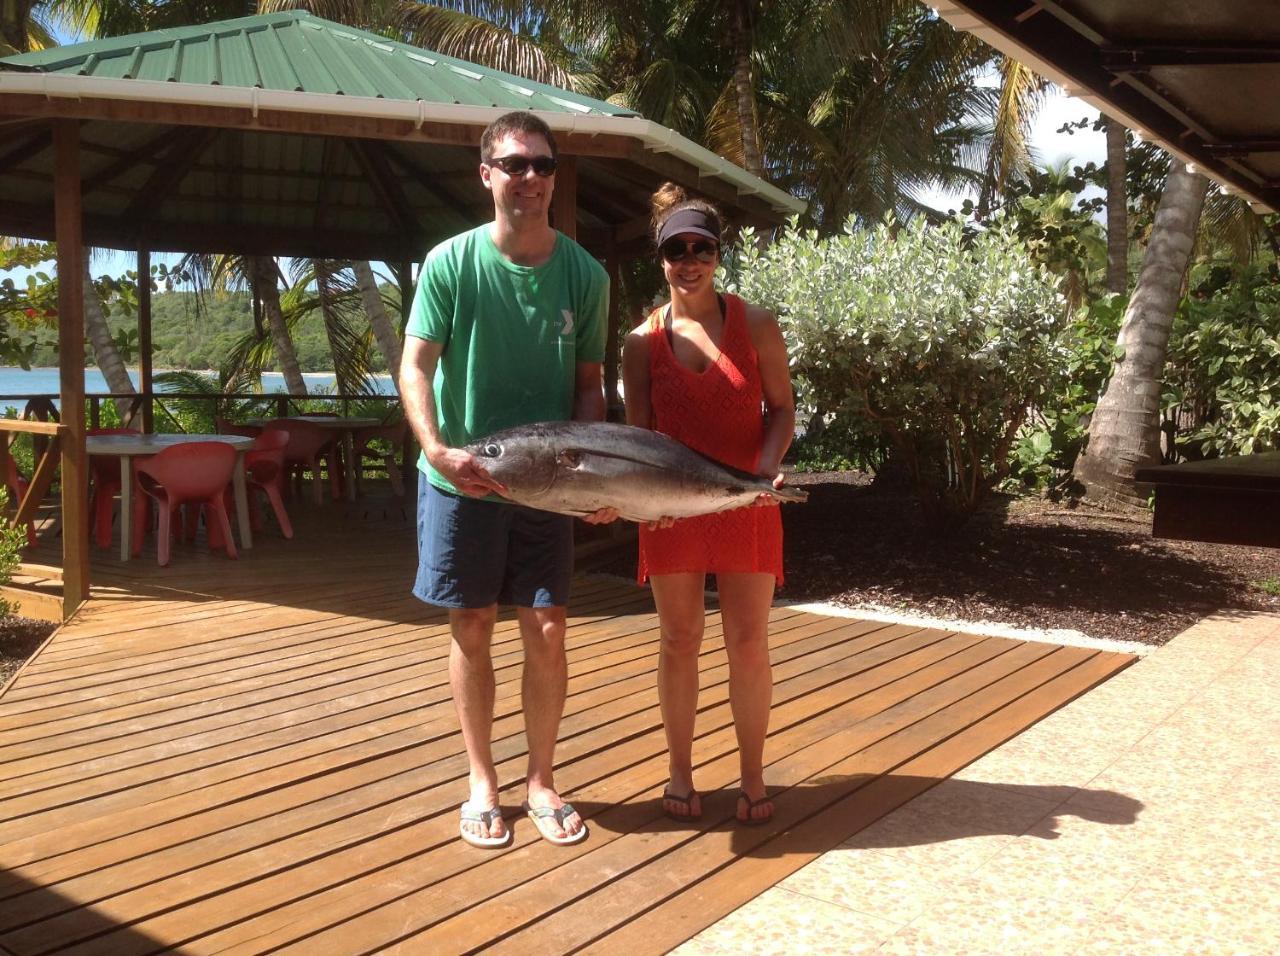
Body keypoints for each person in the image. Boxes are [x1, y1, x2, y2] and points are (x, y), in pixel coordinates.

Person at [399, 111, 614, 849]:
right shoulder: (450, 264)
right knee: (473, 624)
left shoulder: (585, 275)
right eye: (515, 164)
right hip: (463, 480)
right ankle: (482, 780)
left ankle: (542, 779)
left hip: (550, 488)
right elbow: (416, 364)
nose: (530, 177)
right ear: (486, 174)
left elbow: (590, 390)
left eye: (543, 165)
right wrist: (434, 448)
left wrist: (596, 486)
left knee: (548, 629)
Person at [622, 183, 796, 826]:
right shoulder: (642, 341)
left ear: (719, 254)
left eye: (702, 247)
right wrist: (644, 503)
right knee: (678, 639)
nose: (689, 260)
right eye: (676, 249)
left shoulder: (755, 324)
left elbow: (781, 411)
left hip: (749, 501)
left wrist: (763, 473)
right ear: (661, 258)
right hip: (670, 511)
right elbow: (638, 440)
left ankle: (752, 775)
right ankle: (681, 772)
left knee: (748, 642)